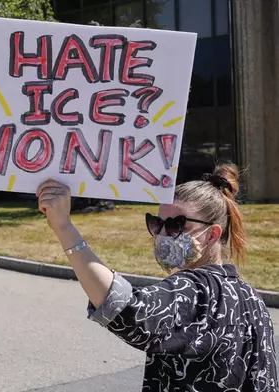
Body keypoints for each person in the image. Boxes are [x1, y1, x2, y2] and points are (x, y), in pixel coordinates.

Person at [37, 163, 277, 391]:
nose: (163, 234)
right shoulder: (251, 297)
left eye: (176, 225)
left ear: (212, 234)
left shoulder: (195, 291)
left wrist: (64, 227)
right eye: (156, 223)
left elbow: (125, 309)